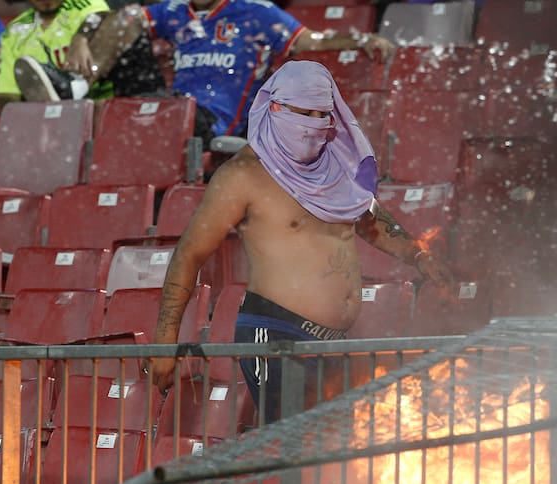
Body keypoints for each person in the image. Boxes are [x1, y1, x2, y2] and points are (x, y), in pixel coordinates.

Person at [151, 60, 454, 423]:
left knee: (334, 458)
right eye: (303, 113)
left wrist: (418, 254)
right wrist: (166, 342)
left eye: (321, 114)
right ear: (275, 108)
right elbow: (189, 256)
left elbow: (371, 217)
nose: (313, 125)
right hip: (276, 335)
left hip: (334, 341)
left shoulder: (336, 165)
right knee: (297, 448)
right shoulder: (242, 176)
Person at [21, 0, 394, 148]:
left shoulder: (255, 11)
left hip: (210, 121)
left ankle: (79, 100)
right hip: (171, 107)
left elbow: (308, 41)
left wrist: (360, 37)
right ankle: (76, 85)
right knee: (131, 21)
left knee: (154, 111)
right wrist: (83, 39)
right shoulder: (174, 10)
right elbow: (117, 17)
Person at [0, 0, 165, 105]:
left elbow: (110, 19)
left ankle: (75, 86)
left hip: (108, 99)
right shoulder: (14, 31)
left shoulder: (83, 3)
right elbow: (7, 94)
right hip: (46, 118)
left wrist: (80, 38)